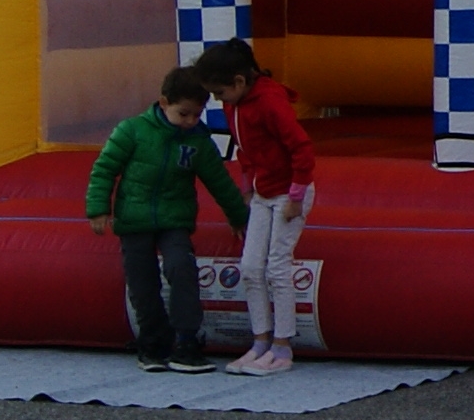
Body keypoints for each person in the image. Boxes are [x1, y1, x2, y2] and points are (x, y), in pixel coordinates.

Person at [88, 67, 247, 372]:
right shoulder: (132, 130)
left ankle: (187, 340)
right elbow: (105, 168)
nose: (189, 121)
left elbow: (219, 181)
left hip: (174, 219)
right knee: (142, 281)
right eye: (183, 114)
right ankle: (153, 342)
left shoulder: (197, 141)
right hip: (134, 219)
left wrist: (238, 216)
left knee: (181, 267)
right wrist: (98, 209)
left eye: (196, 115)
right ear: (163, 103)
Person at [196, 39, 317, 375]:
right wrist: (247, 186)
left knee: (277, 266)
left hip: (288, 193)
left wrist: (295, 196)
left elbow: (302, 148)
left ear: (239, 81)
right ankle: (260, 340)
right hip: (264, 192)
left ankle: (282, 346)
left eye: (220, 92)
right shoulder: (234, 105)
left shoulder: (269, 102)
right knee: (250, 266)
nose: (218, 100)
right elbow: (245, 148)